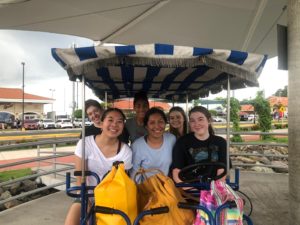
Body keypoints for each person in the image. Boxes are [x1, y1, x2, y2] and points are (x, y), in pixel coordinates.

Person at [64, 108, 132, 225]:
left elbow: (122, 183)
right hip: (86, 194)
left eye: (119, 121)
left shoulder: (125, 151)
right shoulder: (85, 144)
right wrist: (87, 202)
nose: (114, 125)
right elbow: (80, 178)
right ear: (101, 123)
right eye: (110, 120)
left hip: (112, 197)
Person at [172, 106, 227, 183]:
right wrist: (190, 190)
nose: (196, 124)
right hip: (189, 188)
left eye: (200, 119)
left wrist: (215, 190)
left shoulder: (221, 142)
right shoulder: (182, 142)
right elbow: (176, 171)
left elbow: (222, 170)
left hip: (214, 186)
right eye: (192, 121)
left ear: (209, 120)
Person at [131, 107, 176, 179]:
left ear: (165, 123)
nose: (157, 126)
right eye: (152, 123)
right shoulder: (137, 146)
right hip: (145, 188)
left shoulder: (171, 139)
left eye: (160, 122)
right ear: (146, 126)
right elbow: (134, 175)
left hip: (166, 186)